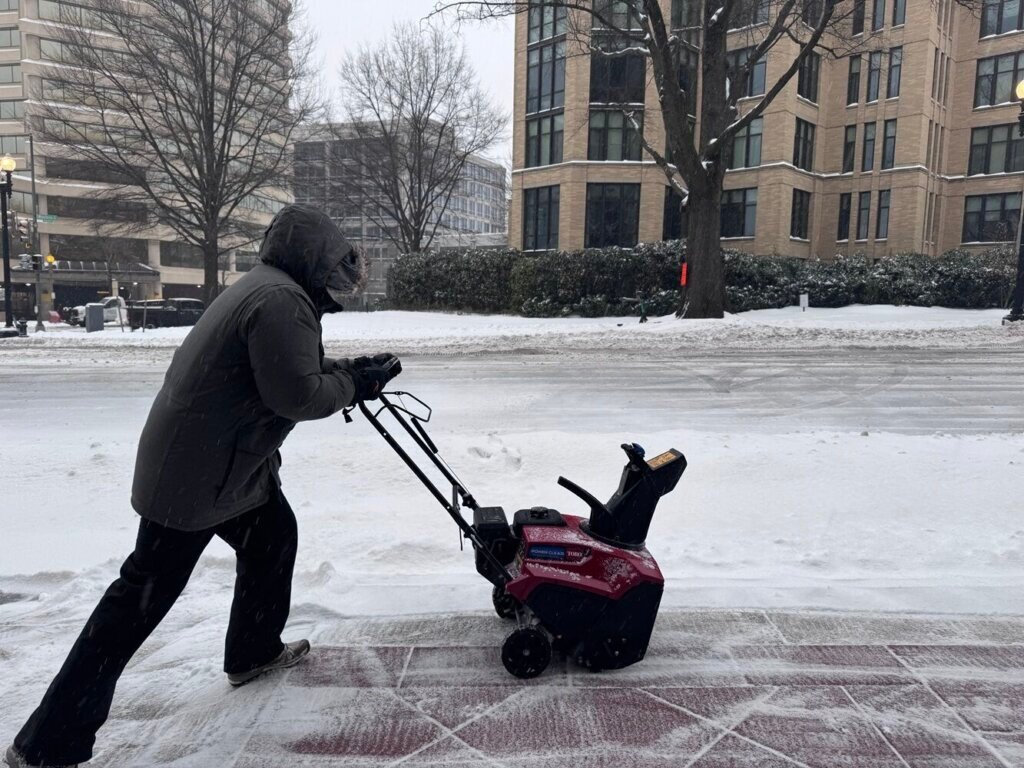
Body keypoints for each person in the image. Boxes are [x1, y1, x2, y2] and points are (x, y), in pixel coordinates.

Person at [5, 204, 401, 768]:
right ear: (315, 265)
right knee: (137, 602)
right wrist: (354, 384)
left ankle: (252, 652)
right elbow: (296, 396)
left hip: (221, 466)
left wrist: (349, 368)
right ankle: (47, 743)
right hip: (199, 477)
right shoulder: (282, 301)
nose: (340, 292)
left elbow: (287, 368)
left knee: (273, 538)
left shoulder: (270, 288)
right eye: (336, 278)